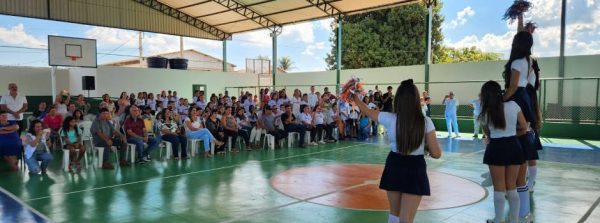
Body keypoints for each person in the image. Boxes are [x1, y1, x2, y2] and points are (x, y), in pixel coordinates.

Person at [352, 79, 441, 223]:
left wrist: (356, 98)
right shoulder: (425, 122)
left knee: (394, 214)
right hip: (415, 168)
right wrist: (425, 146)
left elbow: (367, 111)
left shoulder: (389, 118)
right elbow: (437, 154)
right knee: (406, 219)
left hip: (395, 164)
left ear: (398, 99)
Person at [502, 31, 540, 222]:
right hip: (526, 100)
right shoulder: (529, 61)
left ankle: (522, 211)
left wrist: (501, 100)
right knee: (523, 157)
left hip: (518, 98)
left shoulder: (517, 62)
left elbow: (513, 86)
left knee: (518, 161)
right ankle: (524, 212)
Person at [479, 81, 527, 223]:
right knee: (512, 186)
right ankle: (514, 220)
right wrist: (511, 135)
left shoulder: (486, 112)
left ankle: (498, 219)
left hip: (496, 148)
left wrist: (499, 136)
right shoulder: (514, 105)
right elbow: (524, 127)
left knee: (499, 188)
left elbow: (488, 133)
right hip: (514, 147)